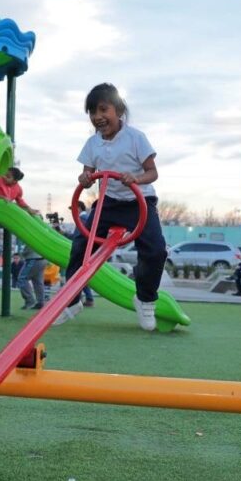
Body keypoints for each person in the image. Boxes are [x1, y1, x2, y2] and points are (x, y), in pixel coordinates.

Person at [54, 83, 166, 331]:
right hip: (108, 203)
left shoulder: (136, 138)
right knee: (80, 244)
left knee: (155, 250)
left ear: (118, 110)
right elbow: (87, 173)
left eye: (103, 110)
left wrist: (136, 178)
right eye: (92, 112)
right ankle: (72, 302)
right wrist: (84, 179)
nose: (98, 117)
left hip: (140, 202)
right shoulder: (92, 143)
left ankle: (145, 299)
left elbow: (152, 172)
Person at [17, 238, 46, 310]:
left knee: (22, 279)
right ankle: (40, 302)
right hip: (43, 259)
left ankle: (30, 301)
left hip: (33, 259)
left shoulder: (31, 235)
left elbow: (27, 250)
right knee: (38, 281)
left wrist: (21, 254)